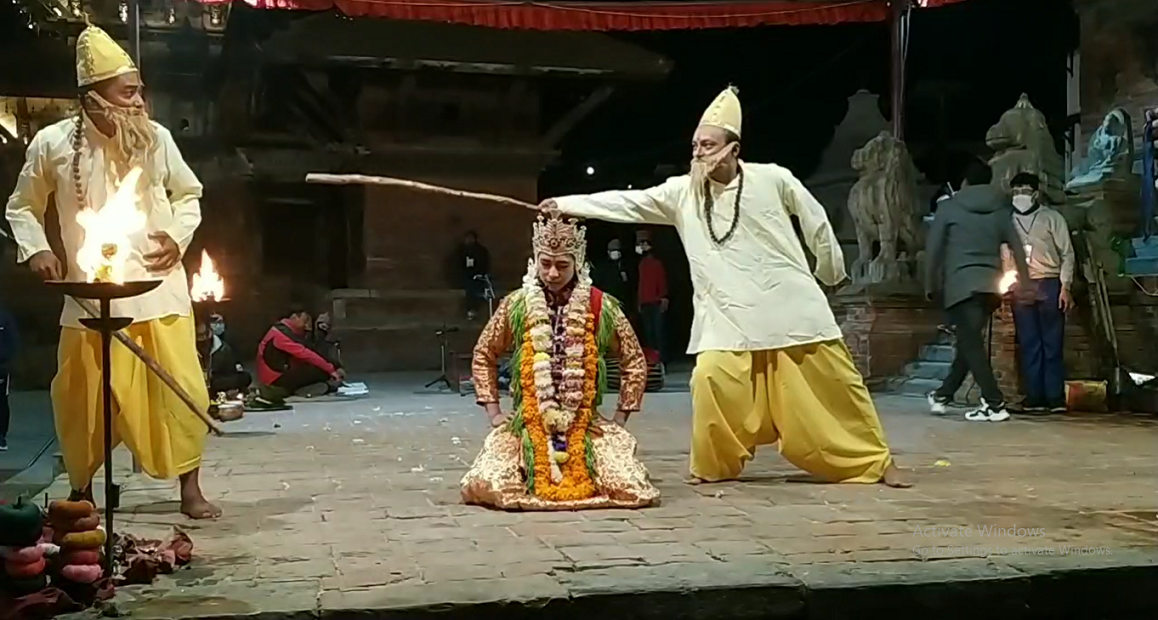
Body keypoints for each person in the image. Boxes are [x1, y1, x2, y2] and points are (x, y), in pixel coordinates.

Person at [540, 87, 908, 487]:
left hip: (790, 305)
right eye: (695, 145)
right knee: (710, 378)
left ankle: (875, 460)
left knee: (837, 386)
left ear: (734, 149)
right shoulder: (682, 192)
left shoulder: (772, 178)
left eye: (708, 145)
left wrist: (832, 272)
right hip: (727, 314)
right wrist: (566, 204)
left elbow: (816, 220)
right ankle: (714, 465)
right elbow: (627, 204)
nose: (698, 153)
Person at [4, 24, 219, 518]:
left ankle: (190, 488)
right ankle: (82, 490)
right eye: (128, 92)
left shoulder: (156, 139)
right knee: (81, 399)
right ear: (93, 98)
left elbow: (189, 194)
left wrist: (177, 237)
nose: (139, 100)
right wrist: (36, 249)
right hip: (89, 295)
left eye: (139, 90)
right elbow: (22, 207)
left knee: (180, 390)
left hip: (158, 291)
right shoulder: (52, 144)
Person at [461, 213, 660, 510]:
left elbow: (633, 359)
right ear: (535, 261)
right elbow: (483, 353)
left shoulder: (599, 305)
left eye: (562, 266)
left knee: (627, 485)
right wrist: (494, 413)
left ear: (577, 263)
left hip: (585, 423)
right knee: (492, 483)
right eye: (546, 264)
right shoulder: (517, 304)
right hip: (529, 423)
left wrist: (620, 418)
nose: (552, 273)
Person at [924, 160, 1030, 422]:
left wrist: (930, 285)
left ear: (965, 182)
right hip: (990, 287)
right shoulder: (1001, 209)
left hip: (961, 286)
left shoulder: (949, 208)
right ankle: (943, 396)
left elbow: (933, 250)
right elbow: (1017, 246)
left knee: (970, 344)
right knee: (968, 343)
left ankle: (994, 403)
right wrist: (1026, 283)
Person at [1004, 172, 1075, 413]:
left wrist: (1065, 287)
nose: (1019, 196)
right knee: (1029, 342)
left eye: (1024, 191)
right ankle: (1034, 397)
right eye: (1015, 191)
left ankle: (1054, 398)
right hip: (1021, 284)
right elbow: (1005, 255)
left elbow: (1067, 254)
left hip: (1049, 282)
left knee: (1052, 343)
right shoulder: (1007, 221)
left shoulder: (1052, 218)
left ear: (1035, 193)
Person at [256, 306, 344, 398]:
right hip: (275, 379)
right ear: (295, 317)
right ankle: (303, 389)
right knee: (321, 372)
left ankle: (309, 387)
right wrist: (330, 369)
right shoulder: (281, 335)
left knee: (316, 368)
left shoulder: (285, 330)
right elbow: (305, 354)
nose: (306, 325)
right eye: (305, 321)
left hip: (279, 374)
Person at [635, 229, 668, 362]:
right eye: (640, 244)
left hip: (656, 302)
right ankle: (653, 359)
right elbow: (640, 284)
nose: (642, 247)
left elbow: (662, 281)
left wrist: (664, 297)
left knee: (658, 333)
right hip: (645, 303)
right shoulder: (641, 264)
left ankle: (661, 359)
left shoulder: (656, 263)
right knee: (649, 333)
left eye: (644, 244)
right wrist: (639, 302)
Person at [196, 319, 251, 398]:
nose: (204, 338)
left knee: (245, 377)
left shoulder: (224, 349)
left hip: (218, 390)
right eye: (200, 336)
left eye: (206, 334)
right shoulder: (187, 351)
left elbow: (231, 376)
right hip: (197, 390)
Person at [590, 238, 635, 308]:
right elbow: (597, 283)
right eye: (614, 250)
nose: (617, 253)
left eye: (619, 251)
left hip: (621, 301)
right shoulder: (602, 266)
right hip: (606, 300)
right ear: (608, 252)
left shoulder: (624, 265)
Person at [458, 230, 492, 320]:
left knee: (475, 291)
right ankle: (470, 310)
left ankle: (473, 310)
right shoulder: (461, 251)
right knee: (470, 290)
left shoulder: (481, 251)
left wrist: (480, 273)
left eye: (471, 238)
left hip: (478, 275)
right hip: (465, 276)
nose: (469, 240)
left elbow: (485, 264)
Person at [0, 303, 16, 452]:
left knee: (1, 400)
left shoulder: (4, 317)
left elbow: (12, 342)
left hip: (1, 367)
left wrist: (3, 358)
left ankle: (1, 436)